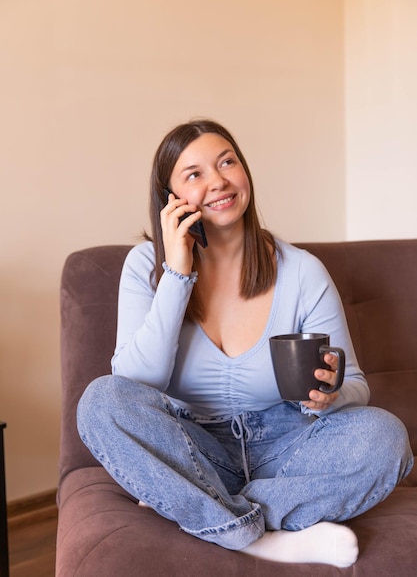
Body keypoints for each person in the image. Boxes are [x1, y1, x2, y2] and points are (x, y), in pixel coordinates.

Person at [77, 119, 413, 567]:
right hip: (193, 444)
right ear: (170, 198)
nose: (218, 180)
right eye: (194, 174)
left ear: (244, 172)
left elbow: (354, 384)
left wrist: (328, 395)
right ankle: (257, 536)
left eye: (227, 162)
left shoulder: (301, 270)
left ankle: (199, 505)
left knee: (385, 436)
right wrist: (177, 275)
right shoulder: (146, 267)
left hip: (288, 447)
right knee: (101, 400)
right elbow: (138, 381)